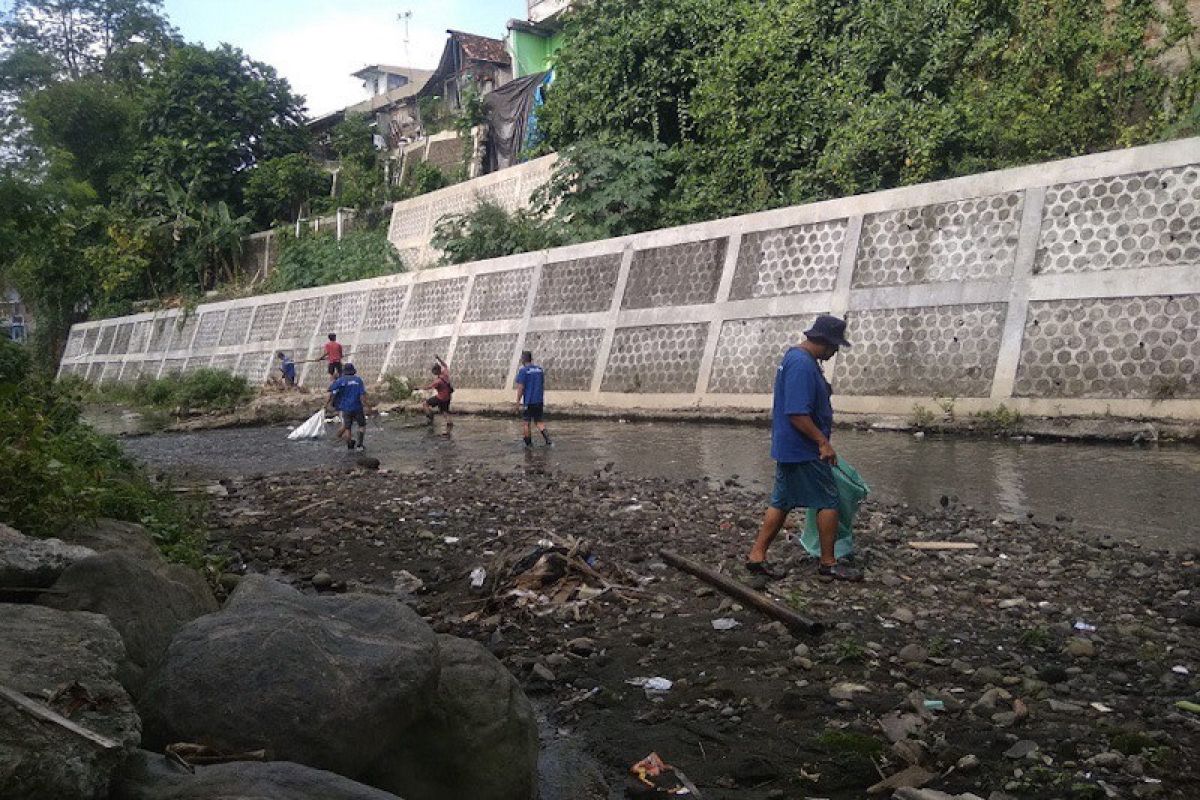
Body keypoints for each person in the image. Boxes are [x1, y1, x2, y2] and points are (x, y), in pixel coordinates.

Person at [747, 314, 862, 582]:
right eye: (834, 347)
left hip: (789, 447)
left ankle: (756, 556)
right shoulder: (801, 364)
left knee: (782, 500)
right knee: (828, 500)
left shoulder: (799, 360)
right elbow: (797, 413)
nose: (834, 353)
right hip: (804, 449)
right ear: (823, 341)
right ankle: (828, 562)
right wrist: (823, 442)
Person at [326, 363, 371, 451]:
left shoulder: (341, 380)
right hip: (357, 407)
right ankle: (360, 445)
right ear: (353, 371)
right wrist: (367, 406)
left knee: (347, 427)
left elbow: (330, 389)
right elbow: (362, 395)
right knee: (361, 425)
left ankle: (350, 445)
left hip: (346, 408)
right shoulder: (358, 380)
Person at [515, 350, 552, 448]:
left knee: (526, 423)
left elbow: (520, 387)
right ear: (531, 359)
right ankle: (549, 441)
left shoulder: (523, 371)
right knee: (539, 422)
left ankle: (529, 445)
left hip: (529, 401)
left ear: (523, 360)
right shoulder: (540, 370)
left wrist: (518, 401)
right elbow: (541, 384)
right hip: (539, 400)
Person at [423, 355, 453, 434]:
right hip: (448, 398)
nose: (433, 373)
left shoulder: (438, 381)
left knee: (425, 404)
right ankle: (449, 428)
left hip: (440, 398)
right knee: (445, 413)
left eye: (433, 371)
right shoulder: (446, 373)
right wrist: (438, 358)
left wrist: (417, 388)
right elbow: (445, 365)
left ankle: (430, 417)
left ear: (436, 371)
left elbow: (428, 387)